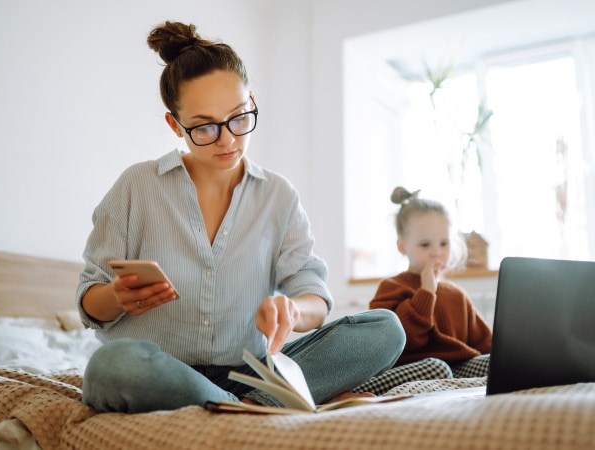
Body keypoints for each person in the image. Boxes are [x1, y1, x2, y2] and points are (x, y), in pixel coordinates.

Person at [76, 20, 405, 414]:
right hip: (163, 371)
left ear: (251, 99)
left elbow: (314, 293)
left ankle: (243, 402)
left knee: (385, 329)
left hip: (251, 370)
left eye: (238, 117)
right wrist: (116, 296)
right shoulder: (136, 186)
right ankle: (258, 405)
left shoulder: (278, 196)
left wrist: (295, 309)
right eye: (204, 127)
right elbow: (89, 302)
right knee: (112, 368)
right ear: (174, 125)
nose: (228, 139)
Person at [353, 187, 492, 395]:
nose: (437, 252)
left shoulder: (457, 295)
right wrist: (426, 293)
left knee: (494, 363)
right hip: (416, 368)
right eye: (425, 244)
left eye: (444, 243)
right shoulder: (391, 287)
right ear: (402, 246)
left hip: (457, 369)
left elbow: (484, 342)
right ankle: (351, 391)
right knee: (437, 367)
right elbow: (390, 344)